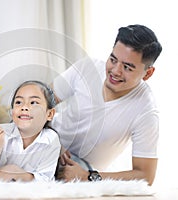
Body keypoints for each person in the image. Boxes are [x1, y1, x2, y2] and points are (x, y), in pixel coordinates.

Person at [51, 24, 162, 185]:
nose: (115, 71)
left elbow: (145, 175)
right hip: (46, 138)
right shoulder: (88, 67)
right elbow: (40, 101)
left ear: (148, 73)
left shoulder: (146, 111)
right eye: (113, 59)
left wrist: (88, 176)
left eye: (127, 67)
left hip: (79, 167)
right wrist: (53, 142)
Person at [0, 80, 61, 181]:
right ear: (12, 111)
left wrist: (17, 173)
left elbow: (45, 181)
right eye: (18, 102)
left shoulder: (51, 139)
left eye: (33, 102)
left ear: (49, 114)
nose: (24, 107)